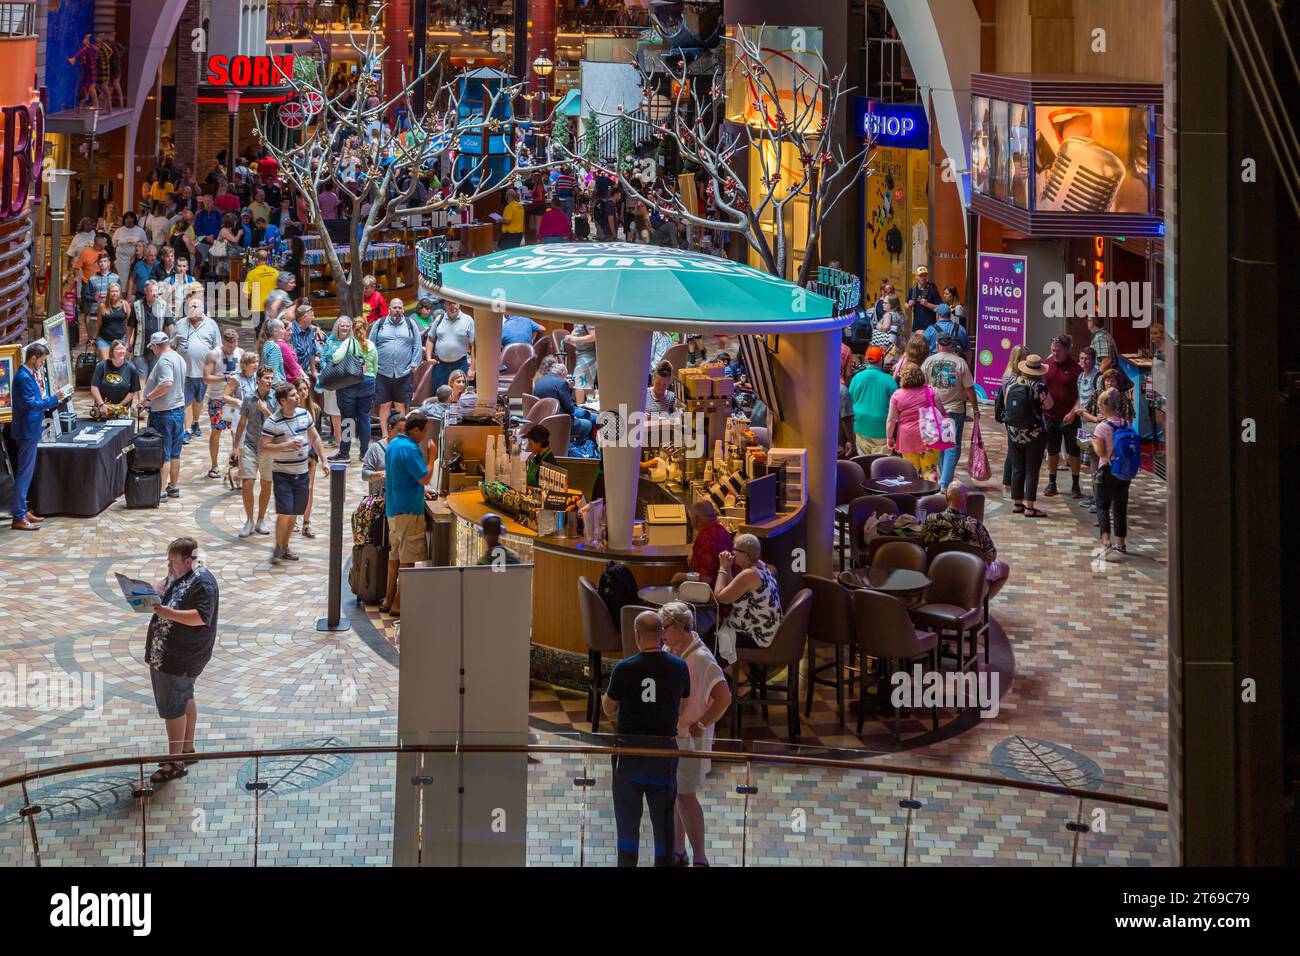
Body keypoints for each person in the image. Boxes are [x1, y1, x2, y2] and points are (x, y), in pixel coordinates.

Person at [601, 610, 691, 867]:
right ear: (662, 634)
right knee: (663, 824)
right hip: (663, 756)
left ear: (637, 636)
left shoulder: (624, 669)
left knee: (627, 825)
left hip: (629, 758)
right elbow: (683, 707)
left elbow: (609, 708)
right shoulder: (679, 667)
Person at [144, 536, 220, 785]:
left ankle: (173, 762)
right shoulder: (185, 573)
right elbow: (170, 580)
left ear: (189, 561)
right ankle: (186, 749)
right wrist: (159, 586)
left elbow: (200, 617)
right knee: (185, 695)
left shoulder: (203, 584)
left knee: (172, 706)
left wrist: (169, 613)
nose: (170, 566)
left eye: (174, 562)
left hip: (179, 658)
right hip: (171, 654)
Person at [659, 601, 730, 867]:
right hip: (673, 735)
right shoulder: (672, 649)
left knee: (686, 797)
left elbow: (724, 698)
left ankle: (700, 856)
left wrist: (698, 726)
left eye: (665, 628)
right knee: (677, 795)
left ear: (680, 627)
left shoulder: (701, 659)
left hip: (688, 739)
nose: (661, 634)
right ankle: (679, 852)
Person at [260, 382, 328, 565]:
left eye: (296, 395)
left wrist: (324, 460)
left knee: (294, 513)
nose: (298, 397)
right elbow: (265, 447)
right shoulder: (272, 422)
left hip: (302, 473)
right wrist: (286, 445)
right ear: (282, 401)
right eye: (293, 395)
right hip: (283, 473)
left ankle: (285, 545)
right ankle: (278, 546)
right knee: (285, 512)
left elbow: (314, 437)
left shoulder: (304, 414)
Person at [9, 344, 69, 530]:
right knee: (24, 474)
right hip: (27, 431)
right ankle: (18, 516)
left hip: (32, 429)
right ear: (33, 358)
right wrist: (54, 399)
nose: (42, 364)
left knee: (26, 473)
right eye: (42, 361)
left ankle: (23, 509)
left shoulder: (27, 375)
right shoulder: (23, 377)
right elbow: (32, 404)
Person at [381, 410, 435, 614]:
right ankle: (398, 605)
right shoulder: (411, 449)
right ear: (415, 430)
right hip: (409, 513)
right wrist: (432, 457)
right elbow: (424, 478)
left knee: (394, 556)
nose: (425, 436)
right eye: (424, 432)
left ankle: (388, 599)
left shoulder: (393, 443)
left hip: (393, 510)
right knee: (408, 560)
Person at [713, 534, 783, 680]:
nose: (732, 553)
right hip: (767, 629)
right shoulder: (762, 567)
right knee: (714, 632)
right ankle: (745, 672)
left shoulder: (749, 575)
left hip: (757, 635)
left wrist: (722, 567)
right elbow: (736, 591)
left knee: (711, 640)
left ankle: (742, 683)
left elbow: (720, 597)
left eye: (735, 550)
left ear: (745, 555)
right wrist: (728, 569)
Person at [995, 353, 1053, 518]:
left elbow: (1006, 405)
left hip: (1014, 433)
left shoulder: (1012, 383)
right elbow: (1049, 405)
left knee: (1017, 467)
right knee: (1032, 469)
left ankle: (1017, 503)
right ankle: (1030, 506)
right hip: (1035, 434)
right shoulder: (1040, 386)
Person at [921, 481, 1010, 584]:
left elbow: (922, 543)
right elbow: (991, 556)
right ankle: (981, 599)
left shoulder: (931, 519)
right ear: (966, 498)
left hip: (937, 569)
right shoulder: (976, 525)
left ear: (946, 496)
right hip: (970, 573)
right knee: (1004, 568)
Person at [921, 333, 981, 488]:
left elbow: (922, 385)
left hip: (934, 411)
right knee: (952, 448)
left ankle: (944, 479)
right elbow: (969, 388)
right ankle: (945, 482)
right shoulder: (960, 362)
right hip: (954, 410)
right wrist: (975, 409)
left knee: (940, 445)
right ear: (952, 344)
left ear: (937, 343)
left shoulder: (929, 362)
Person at [140, 332, 190, 499]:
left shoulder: (165, 361)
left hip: (163, 414)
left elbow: (166, 383)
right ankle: (173, 486)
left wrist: (147, 399)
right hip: (177, 412)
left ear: (155, 346)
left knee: (164, 453)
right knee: (175, 453)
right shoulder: (179, 358)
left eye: (152, 348)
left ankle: (160, 491)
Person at [232, 365, 278, 537]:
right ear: (258, 379)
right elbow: (242, 422)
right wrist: (236, 446)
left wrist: (265, 410)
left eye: (271, 378)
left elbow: (278, 423)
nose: (270, 381)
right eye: (266, 378)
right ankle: (249, 520)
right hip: (250, 446)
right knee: (247, 484)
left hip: (268, 448)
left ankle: (260, 520)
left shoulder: (275, 398)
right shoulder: (249, 398)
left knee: (266, 484)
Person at [1090, 387, 1134, 561]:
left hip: (1106, 469)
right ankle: (1121, 542)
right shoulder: (1126, 424)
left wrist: (1092, 443)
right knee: (1120, 506)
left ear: (1103, 406)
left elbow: (1100, 452)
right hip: (1124, 470)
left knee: (1102, 506)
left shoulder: (1101, 427)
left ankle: (1106, 540)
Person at [373, 297, 424, 440]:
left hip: (404, 372)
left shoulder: (410, 323)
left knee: (401, 405)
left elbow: (417, 345)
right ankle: (384, 435)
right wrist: (373, 366)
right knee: (385, 405)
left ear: (403, 309)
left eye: (400, 308)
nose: (397, 310)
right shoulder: (380, 323)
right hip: (382, 371)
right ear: (389, 309)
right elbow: (371, 345)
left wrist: (414, 365)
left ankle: (400, 433)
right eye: (394, 307)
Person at [173, 298, 222, 444]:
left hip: (203, 371)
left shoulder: (211, 324)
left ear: (203, 309)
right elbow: (172, 344)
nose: (193, 308)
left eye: (196, 305)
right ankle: (186, 430)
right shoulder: (180, 324)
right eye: (190, 306)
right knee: (186, 400)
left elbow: (218, 346)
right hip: (185, 371)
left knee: (199, 399)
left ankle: (195, 422)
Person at [330, 316, 378, 463]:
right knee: (364, 419)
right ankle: (364, 453)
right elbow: (375, 366)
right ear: (367, 328)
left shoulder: (349, 342)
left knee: (348, 419)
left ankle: (344, 453)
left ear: (352, 329)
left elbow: (335, 358)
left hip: (349, 384)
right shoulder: (371, 345)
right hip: (368, 382)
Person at [1041, 334, 1083, 499]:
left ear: (1066, 350)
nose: (1055, 354)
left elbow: (1082, 395)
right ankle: (1052, 482)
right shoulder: (1045, 365)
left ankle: (1075, 484)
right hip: (1050, 416)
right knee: (1052, 450)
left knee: (1074, 451)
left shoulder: (1076, 369)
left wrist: (1073, 412)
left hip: (1070, 417)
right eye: (1052, 350)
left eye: (1058, 351)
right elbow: (1040, 388)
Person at [885, 362, 941, 481]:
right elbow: (942, 413)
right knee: (929, 470)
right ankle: (930, 493)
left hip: (907, 437)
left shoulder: (897, 395)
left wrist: (889, 437)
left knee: (911, 471)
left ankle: (914, 496)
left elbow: (891, 419)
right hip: (929, 434)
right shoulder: (931, 391)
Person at [202, 329, 243, 479]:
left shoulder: (241, 352)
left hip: (235, 399)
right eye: (228, 346)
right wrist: (224, 378)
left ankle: (237, 462)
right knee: (216, 432)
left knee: (237, 432)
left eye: (233, 346)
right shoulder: (214, 354)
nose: (231, 349)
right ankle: (214, 465)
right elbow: (206, 378)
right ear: (223, 343)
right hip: (217, 398)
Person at [532, 356, 596, 442]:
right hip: (560, 421)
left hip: (543, 420)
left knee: (586, 414)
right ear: (562, 374)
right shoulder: (561, 383)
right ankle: (578, 447)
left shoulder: (538, 381)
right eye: (565, 376)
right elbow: (570, 409)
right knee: (588, 423)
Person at [849, 345, 897, 455]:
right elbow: (897, 407)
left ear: (866, 359)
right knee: (881, 468)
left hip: (861, 429)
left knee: (864, 463)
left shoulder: (857, 378)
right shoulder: (889, 380)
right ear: (881, 359)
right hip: (882, 431)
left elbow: (851, 398)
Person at [424, 299, 475, 392]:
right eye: (449, 303)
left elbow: (474, 346)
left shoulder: (468, 320)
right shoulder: (439, 319)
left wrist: (472, 369)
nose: (452, 306)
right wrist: (428, 357)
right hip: (440, 366)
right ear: (445, 305)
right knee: (439, 395)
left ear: (459, 303)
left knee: (459, 396)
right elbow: (430, 339)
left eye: (454, 303)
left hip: (460, 365)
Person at [320, 316, 352, 444]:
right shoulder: (330, 340)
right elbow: (323, 358)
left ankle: (347, 438)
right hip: (331, 381)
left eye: (347, 326)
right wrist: (326, 369)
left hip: (346, 381)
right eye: (342, 325)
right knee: (334, 410)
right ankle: (338, 438)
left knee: (347, 411)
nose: (344, 328)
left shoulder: (352, 342)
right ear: (337, 326)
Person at [89, 339, 141, 415]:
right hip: (103, 408)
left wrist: (119, 406)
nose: (121, 351)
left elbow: (132, 391)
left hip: (122, 408)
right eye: (118, 349)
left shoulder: (131, 368)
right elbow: (94, 387)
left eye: (123, 349)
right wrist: (102, 404)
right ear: (112, 351)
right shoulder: (101, 366)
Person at [362, 411, 405, 494]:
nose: (402, 434)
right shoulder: (375, 448)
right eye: (399, 430)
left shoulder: (407, 449)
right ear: (389, 428)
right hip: (380, 501)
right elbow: (364, 475)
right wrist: (379, 474)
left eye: (405, 431)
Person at [242, 248, 280, 331]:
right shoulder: (276, 272)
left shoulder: (251, 274)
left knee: (260, 334)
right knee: (273, 333)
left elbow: (246, 295)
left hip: (257, 308)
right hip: (273, 307)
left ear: (256, 259)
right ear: (267, 259)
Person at [95, 282, 131, 361]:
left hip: (120, 339)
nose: (114, 293)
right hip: (104, 339)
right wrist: (94, 338)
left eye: (116, 291)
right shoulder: (102, 306)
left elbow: (131, 324)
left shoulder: (125, 304)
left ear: (120, 292)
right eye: (112, 291)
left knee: (118, 362)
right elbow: (98, 323)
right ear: (108, 293)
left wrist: (129, 340)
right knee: (106, 363)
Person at [112, 212, 148, 280]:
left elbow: (145, 245)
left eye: (131, 218)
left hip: (136, 261)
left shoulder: (140, 231)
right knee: (122, 280)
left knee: (134, 279)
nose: (129, 220)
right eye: (127, 218)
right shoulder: (119, 231)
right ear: (124, 220)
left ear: (134, 219)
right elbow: (113, 246)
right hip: (121, 261)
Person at [906, 265, 942, 332]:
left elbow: (940, 307)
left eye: (925, 275)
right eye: (921, 275)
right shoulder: (913, 290)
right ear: (916, 277)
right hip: (916, 327)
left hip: (930, 328)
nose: (923, 278)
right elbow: (905, 304)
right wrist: (909, 305)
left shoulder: (932, 290)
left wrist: (927, 304)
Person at [566, 323, 597, 388]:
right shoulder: (577, 318)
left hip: (588, 356)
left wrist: (575, 339)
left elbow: (594, 336)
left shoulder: (587, 317)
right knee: (581, 386)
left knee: (580, 387)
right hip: (580, 354)